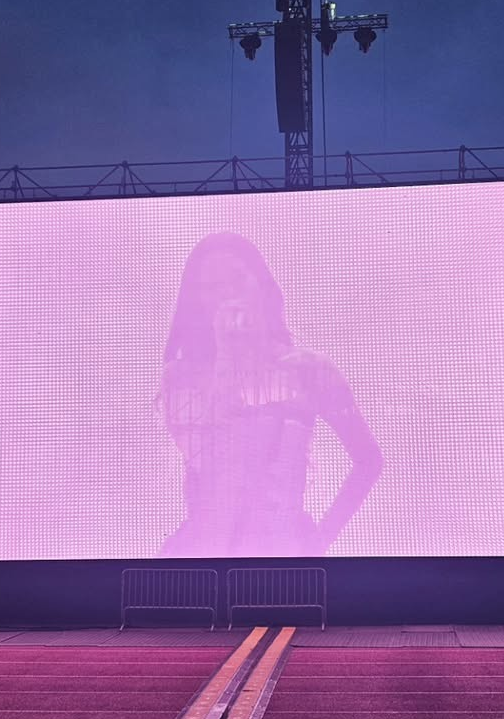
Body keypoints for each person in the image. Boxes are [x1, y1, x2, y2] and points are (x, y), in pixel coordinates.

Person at [157, 232, 382, 557]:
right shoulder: (181, 377)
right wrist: (227, 357)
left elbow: (368, 460)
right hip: (202, 556)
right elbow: (207, 461)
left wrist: (321, 538)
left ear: (261, 286)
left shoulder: (309, 369)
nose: (227, 294)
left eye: (236, 279)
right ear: (198, 302)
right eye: (212, 286)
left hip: (283, 552)